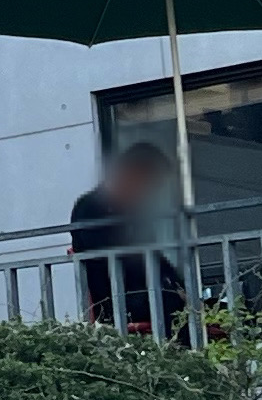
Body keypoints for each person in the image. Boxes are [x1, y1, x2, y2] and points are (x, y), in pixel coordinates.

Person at [65, 141, 185, 335]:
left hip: (142, 292)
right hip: (114, 298)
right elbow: (102, 256)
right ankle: (181, 349)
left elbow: (155, 255)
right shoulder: (89, 207)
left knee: (205, 305)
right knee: (171, 304)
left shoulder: (131, 212)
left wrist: (181, 285)